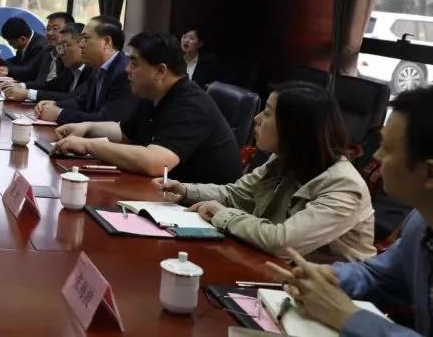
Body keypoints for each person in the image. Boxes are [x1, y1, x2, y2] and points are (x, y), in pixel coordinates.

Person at [266, 86, 433, 337]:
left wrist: (346, 316)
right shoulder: (420, 222)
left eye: (387, 148)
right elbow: (378, 274)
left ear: (429, 173)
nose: (376, 156)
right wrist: (330, 277)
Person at [157, 81, 375, 262]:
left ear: (295, 128)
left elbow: (284, 243)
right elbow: (235, 195)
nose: (257, 118)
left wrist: (221, 214)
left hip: (332, 293)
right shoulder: (284, 159)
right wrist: (185, 191)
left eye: (268, 113)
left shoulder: (344, 185)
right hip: (278, 272)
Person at [53, 31, 241, 183]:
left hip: (203, 206)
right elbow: (125, 133)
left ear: (160, 71)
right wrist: (86, 127)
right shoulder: (152, 94)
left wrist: (88, 145)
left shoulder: (191, 104)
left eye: (134, 64)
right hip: (166, 192)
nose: (127, 69)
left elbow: (155, 163)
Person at [34, 16, 137, 125]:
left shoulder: (124, 73)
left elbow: (107, 120)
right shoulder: (98, 68)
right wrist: (54, 104)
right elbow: (81, 101)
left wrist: (59, 114)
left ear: (107, 42)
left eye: (86, 38)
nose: (81, 44)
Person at [2, 23, 92, 104]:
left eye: (66, 45)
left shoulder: (92, 71)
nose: (61, 53)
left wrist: (28, 94)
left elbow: (72, 98)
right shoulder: (70, 70)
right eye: (60, 47)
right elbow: (49, 86)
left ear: (82, 44)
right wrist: (21, 86)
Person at [0, 16, 47, 81]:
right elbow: (17, 60)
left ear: (22, 39)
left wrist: (8, 70)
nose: (10, 45)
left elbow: (29, 70)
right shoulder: (24, 42)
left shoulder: (39, 47)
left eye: (11, 42)